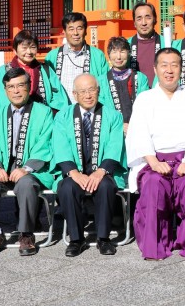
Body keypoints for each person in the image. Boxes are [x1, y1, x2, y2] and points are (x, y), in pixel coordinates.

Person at [126, 48, 185, 260]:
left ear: (181, 69)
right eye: (164, 65)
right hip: (154, 160)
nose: (169, 70)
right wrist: (153, 161)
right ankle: (156, 244)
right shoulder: (145, 99)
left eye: (174, 65)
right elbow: (138, 134)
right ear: (155, 69)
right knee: (153, 184)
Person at [0, 67, 54, 256]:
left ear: (29, 86)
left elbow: (46, 142)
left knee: (26, 184)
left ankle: (26, 234)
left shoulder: (44, 112)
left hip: (32, 170)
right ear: (5, 91)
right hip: (2, 169)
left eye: (21, 85)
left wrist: (27, 167)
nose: (16, 91)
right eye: (11, 87)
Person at [52, 73, 126, 257]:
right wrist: (73, 173)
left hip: (102, 171)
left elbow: (115, 145)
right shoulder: (63, 116)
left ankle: (103, 238)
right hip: (74, 172)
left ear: (98, 91)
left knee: (107, 186)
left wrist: (100, 171)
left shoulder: (113, 116)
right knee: (68, 188)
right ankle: (76, 239)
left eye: (91, 90)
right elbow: (60, 146)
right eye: (82, 91)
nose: (87, 95)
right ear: (74, 94)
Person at [44, 12, 111, 111]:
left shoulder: (98, 55)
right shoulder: (52, 56)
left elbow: (105, 86)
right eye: (71, 29)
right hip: (60, 112)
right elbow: (47, 86)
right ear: (64, 32)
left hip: (90, 111)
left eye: (79, 28)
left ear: (85, 31)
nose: (75, 33)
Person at [0, 30, 53, 109]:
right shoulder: (3, 71)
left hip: (41, 117)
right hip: (13, 117)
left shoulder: (45, 70)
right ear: (15, 50)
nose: (29, 52)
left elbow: (58, 98)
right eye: (24, 48)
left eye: (33, 47)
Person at [106, 36, 150, 132]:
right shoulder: (101, 81)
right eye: (114, 52)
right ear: (109, 55)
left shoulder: (141, 78)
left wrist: (133, 124)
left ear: (129, 53)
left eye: (122, 51)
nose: (118, 57)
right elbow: (103, 109)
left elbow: (146, 105)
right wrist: (119, 125)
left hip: (138, 129)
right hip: (112, 130)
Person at [128, 1, 169, 86]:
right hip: (135, 96)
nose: (144, 23)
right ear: (134, 23)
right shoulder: (126, 45)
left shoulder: (167, 43)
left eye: (148, 17)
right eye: (139, 18)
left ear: (155, 19)